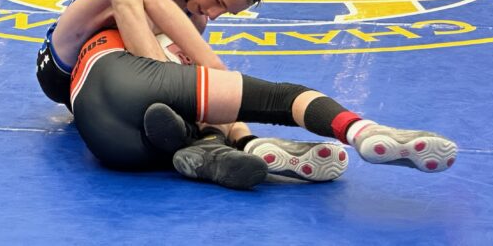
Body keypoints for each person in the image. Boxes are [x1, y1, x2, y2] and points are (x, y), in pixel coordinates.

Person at [35, 0, 348, 188]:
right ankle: (181, 113)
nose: (213, 14)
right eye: (219, 3)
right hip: (61, 57)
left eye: (225, 13)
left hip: (96, 88)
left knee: (190, 73)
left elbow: (199, 73)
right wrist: (215, 74)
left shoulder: (196, 16)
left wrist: (234, 120)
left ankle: (237, 142)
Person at [70, 27, 458, 190]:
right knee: (282, 97)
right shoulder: (153, 20)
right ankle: (360, 130)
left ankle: (204, 146)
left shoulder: (77, 50)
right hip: (136, 79)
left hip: (107, 145)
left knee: (180, 120)